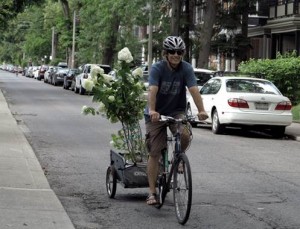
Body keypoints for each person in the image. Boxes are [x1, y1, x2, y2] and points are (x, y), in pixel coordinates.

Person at [144, 36, 209, 205]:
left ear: (182, 53)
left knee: (185, 135)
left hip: (176, 111)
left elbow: (194, 90)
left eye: (179, 52)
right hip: (156, 114)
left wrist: (201, 110)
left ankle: (178, 158)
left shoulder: (186, 68)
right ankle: (152, 193)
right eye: (172, 51)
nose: (175, 55)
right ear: (165, 53)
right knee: (155, 151)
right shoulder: (158, 68)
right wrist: (153, 110)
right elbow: (152, 90)